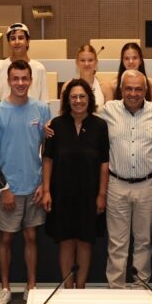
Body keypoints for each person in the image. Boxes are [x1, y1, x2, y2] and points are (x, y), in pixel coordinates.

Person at [0, 59, 51, 304]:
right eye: (16, 78)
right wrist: (4, 189)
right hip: (8, 189)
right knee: (6, 238)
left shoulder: (42, 109)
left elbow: (47, 151)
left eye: (25, 78)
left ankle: (31, 287)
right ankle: (5, 288)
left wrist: (44, 184)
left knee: (31, 236)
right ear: (8, 81)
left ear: (31, 80)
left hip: (34, 187)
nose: (20, 83)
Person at [98, 70, 152, 289]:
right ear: (121, 89)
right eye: (128, 88)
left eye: (138, 89)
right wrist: (50, 126)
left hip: (149, 185)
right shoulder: (108, 110)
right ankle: (116, 289)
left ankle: (140, 288)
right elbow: (81, 115)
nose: (133, 93)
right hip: (117, 184)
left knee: (144, 241)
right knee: (117, 243)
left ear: (146, 91)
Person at [42, 79, 110, 288]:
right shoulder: (55, 125)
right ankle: (67, 288)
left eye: (82, 96)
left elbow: (104, 163)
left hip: (90, 194)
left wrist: (102, 194)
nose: (78, 101)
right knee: (66, 241)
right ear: (67, 100)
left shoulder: (100, 126)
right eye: (74, 97)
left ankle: (80, 288)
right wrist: (46, 190)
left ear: (89, 99)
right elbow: (48, 160)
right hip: (61, 193)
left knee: (85, 242)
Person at [0, 23, 48, 102]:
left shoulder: (39, 68)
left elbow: (44, 102)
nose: (17, 42)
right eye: (13, 38)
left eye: (21, 38)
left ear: (28, 41)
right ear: (8, 42)